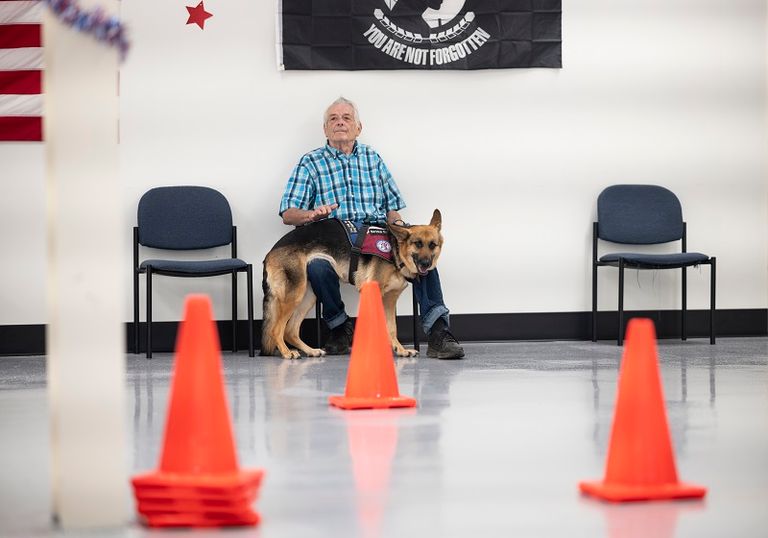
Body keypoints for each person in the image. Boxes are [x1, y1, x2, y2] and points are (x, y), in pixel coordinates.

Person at [279, 97, 464, 359]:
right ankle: (339, 326)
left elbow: (392, 207)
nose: (340, 122)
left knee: (422, 257)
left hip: (377, 234)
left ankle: (437, 332)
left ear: (358, 127)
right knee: (316, 266)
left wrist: (402, 229)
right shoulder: (310, 162)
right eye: (333, 118)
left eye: (346, 117)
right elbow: (288, 213)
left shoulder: (373, 158)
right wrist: (311, 215)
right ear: (325, 129)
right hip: (335, 237)